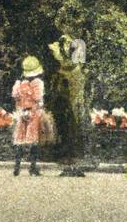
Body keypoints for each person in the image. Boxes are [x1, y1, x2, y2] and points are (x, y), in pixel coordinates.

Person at [47, 35, 87, 176]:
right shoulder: (74, 72)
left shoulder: (68, 72)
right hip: (70, 108)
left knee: (70, 135)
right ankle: (72, 165)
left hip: (70, 108)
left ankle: (71, 165)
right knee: (71, 135)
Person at [12, 56, 46, 176]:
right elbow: (38, 98)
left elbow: (15, 96)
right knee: (34, 140)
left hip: (22, 113)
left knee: (20, 140)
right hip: (34, 113)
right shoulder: (38, 83)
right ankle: (32, 167)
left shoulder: (19, 84)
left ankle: (17, 166)